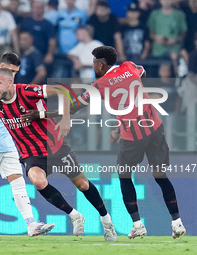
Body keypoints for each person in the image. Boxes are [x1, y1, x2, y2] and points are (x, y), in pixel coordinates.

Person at [24, 46, 186, 239]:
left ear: (100, 64)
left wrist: (42, 114)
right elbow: (143, 71)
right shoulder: (129, 66)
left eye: (94, 63)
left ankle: (137, 225)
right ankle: (177, 223)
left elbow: (73, 107)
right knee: (160, 176)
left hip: (132, 137)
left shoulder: (100, 85)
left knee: (125, 177)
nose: (93, 66)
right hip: (154, 128)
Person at [0, 67, 118, 241]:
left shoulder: (27, 92)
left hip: (55, 147)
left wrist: (65, 117)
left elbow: (63, 90)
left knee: (82, 185)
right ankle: (74, 215)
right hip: (31, 153)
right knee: (37, 180)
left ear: (10, 82)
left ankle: (106, 220)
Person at [0, 52, 55, 237]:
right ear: (1, 66)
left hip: (9, 143)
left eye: (15, 72)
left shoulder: (12, 86)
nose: (13, 76)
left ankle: (31, 224)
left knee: (18, 183)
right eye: (11, 71)